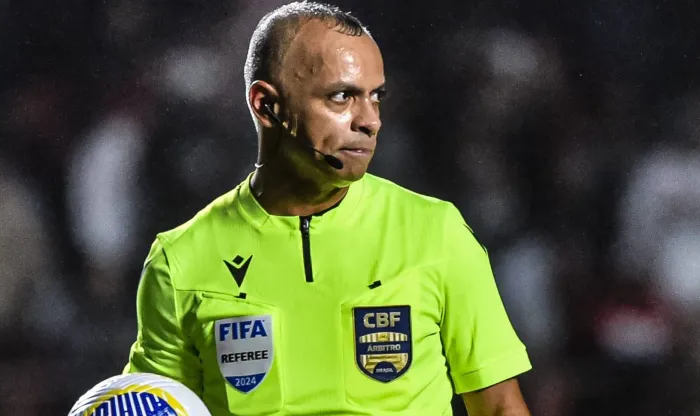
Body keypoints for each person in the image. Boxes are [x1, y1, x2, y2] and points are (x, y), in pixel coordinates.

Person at [124, 2, 532, 415]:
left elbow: (499, 406)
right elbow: (146, 406)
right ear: (266, 105)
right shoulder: (179, 262)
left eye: (376, 97)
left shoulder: (436, 232)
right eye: (342, 96)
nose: (370, 120)